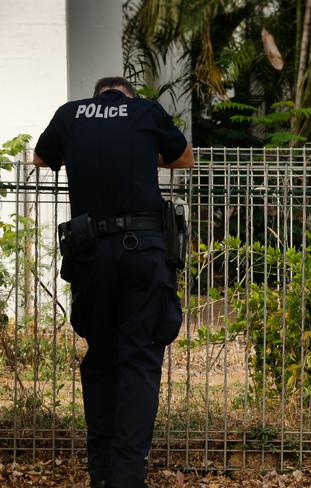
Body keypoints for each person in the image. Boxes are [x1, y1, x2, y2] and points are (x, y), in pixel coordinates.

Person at [34, 76, 194, 488]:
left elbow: (38, 158)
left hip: (90, 255)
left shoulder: (71, 114)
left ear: (98, 95)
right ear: (127, 94)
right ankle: (126, 477)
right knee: (139, 362)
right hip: (143, 253)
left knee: (101, 359)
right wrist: (143, 155)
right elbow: (184, 159)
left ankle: (101, 474)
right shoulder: (145, 111)